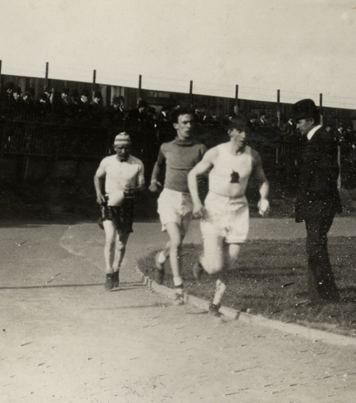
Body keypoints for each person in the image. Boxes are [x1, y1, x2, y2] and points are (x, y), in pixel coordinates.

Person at [188, 116, 270, 316]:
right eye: (240, 131)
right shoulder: (216, 153)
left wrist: (263, 198)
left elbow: (262, 181)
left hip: (238, 210)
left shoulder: (253, 156)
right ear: (230, 132)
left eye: (247, 131)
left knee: (229, 262)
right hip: (214, 207)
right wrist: (196, 202)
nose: (244, 135)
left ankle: (215, 304)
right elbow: (192, 174)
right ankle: (202, 262)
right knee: (214, 265)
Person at [147, 107, 207, 293]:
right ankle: (178, 286)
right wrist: (153, 180)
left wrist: (203, 178)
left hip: (188, 200)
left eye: (191, 122)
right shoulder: (166, 147)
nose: (188, 126)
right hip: (169, 198)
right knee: (176, 240)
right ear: (175, 125)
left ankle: (160, 259)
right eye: (184, 122)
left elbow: (207, 171)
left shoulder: (200, 148)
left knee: (176, 242)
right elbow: (158, 164)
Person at [290, 98, 343, 301]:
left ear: (310, 120)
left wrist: (311, 197)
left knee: (315, 247)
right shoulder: (316, 139)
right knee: (314, 247)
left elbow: (328, 173)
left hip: (319, 203)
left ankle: (326, 295)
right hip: (316, 202)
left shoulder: (322, 140)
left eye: (299, 121)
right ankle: (319, 295)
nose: (297, 126)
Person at [93, 132, 146, 291]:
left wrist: (134, 189)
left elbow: (142, 186)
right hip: (109, 202)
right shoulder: (107, 161)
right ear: (114, 148)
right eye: (120, 148)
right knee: (110, 239)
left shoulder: (137, 163)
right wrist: (98, 193)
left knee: (121, 243)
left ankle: (116, 269)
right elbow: (97, 177)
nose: (123, 151)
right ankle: (108, 273)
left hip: (127, 203)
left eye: (127, 148)